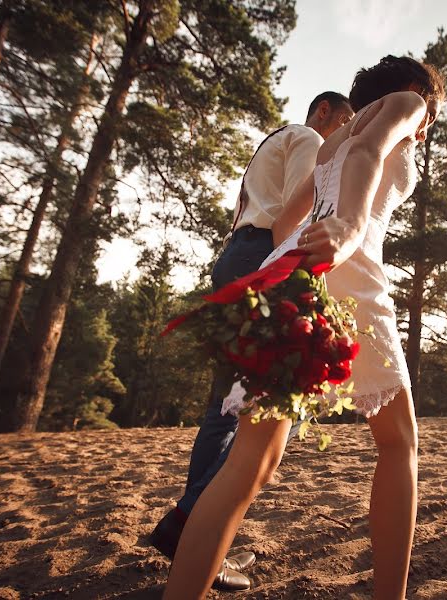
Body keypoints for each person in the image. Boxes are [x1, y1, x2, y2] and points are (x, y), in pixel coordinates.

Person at [163, 56, 445, 599]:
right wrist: (350, 226)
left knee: (249, 464)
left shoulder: (334, 137)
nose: (426, 122)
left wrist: (293, 264)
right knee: (398, 445)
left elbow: (289, 217)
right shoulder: (406, 105)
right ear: (415, 91)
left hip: (297, 268)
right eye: (431, 110)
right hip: (348, 257)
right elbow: (369, 154)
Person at [148, 91, 355, 591]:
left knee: (222, 409)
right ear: (323, 112)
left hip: (235, 255)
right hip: (266, 258)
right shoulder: (308, 137)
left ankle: (199, 536)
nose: (344, 132)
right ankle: (190, 525)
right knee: (249, 413)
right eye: (344, 120)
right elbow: (296, 214)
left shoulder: (269, 144)